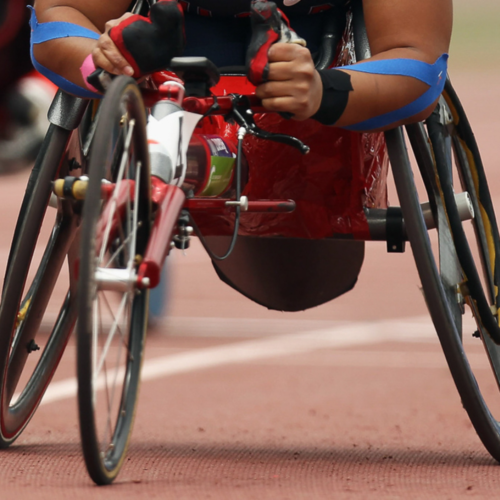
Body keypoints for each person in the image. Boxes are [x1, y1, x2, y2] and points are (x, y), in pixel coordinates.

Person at [30, 0, 452, 132]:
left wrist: (324, 91)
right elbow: (61, 16)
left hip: (310, 66)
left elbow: (417, 58)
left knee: (294, 283)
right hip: (162, 50)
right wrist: (103, 60)